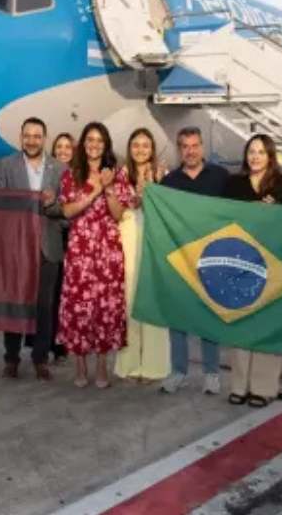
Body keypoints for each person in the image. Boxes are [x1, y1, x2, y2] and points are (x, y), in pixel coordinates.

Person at [58, 122, 133, 388]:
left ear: (106, 145)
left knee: (105, 307)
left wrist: (109, 188)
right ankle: (80, 366)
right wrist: (94, 191)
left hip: (107, 250)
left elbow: (119, 214)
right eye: (90, 139)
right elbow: (67, 211)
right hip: (80, 249)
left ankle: (102, 366)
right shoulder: (71, 174)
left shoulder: (117, 174)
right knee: (78, 306)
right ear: (83, 143)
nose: (94, 145)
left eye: (100, 140)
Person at [225, 134, 282, 408]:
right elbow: (222, 217)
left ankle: (264, 388)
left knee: (267, 323)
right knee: (241, 323)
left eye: (260, 152)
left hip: (271, 262)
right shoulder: (233, 184)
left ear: (270, 156)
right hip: (239, 260)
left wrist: (274, 212)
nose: (255, 156)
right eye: (251, 151)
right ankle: (239, 385)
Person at [0, 117, 67, 380]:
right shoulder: (5, 165)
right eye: (28, 136)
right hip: (16, 248)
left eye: (37, 136)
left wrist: (52, 204)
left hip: (48, 247)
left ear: (44, 139)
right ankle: (11, 358)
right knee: (15, 304)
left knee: (45, 307)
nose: (32, 141)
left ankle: (40, 358)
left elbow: (67, 212)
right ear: (21, 137)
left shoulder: (60, 169)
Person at [159, 127, 232, 395]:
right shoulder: (169, 182)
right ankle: (178, 372)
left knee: (208, 318)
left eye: (194, 145)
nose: (190, 151)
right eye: (185, 146)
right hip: (180, 259)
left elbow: (236, 211)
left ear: (202, 147)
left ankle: (212, 374)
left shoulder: (221, 177)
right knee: (177, 319)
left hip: (212, 258)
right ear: (179, 150)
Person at [114, 128, 171, 382]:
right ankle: (129, 363)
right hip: (127, 239)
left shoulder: (162, 175)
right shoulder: (121, 174)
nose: (140, 150)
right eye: (135, 145)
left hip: (152, 240)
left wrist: (152, 188)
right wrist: (133, 199)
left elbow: (167, 209)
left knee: (153, 301)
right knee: (128, 301)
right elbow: (115, 210)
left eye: (145, 145)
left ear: (152, 149)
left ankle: (154, 366)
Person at [46, 132, 76, 363]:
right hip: (52, 239)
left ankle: (65, 342)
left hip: (74, 240)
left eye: (68, 147)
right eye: (59, 146)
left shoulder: (78, 176)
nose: (63, 151)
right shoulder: (47, 175)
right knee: (52, 294)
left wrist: (64, 215)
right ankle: (50, 343)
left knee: (69, 294)